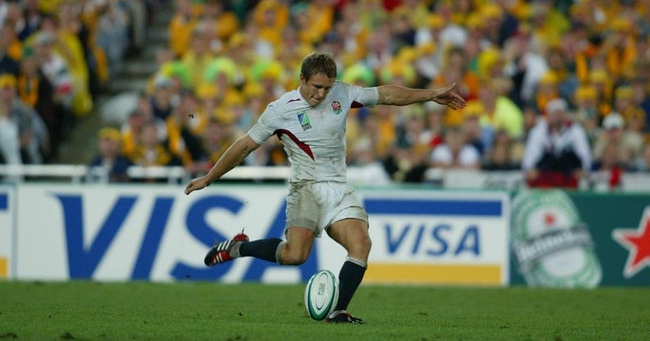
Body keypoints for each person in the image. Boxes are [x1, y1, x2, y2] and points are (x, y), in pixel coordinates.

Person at [184, 52, 465, 324]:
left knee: (361, 244)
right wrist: (210, 177)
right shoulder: (280, 109)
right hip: (306, 188)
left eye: (327, 88)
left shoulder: (342, 93)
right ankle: (238, 248)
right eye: (316, 87)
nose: (321, 94)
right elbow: (245, 146)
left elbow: (387, 95)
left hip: (338, 187)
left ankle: (338, 311)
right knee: (295, 255)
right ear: (302, 79)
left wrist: (430, 94)